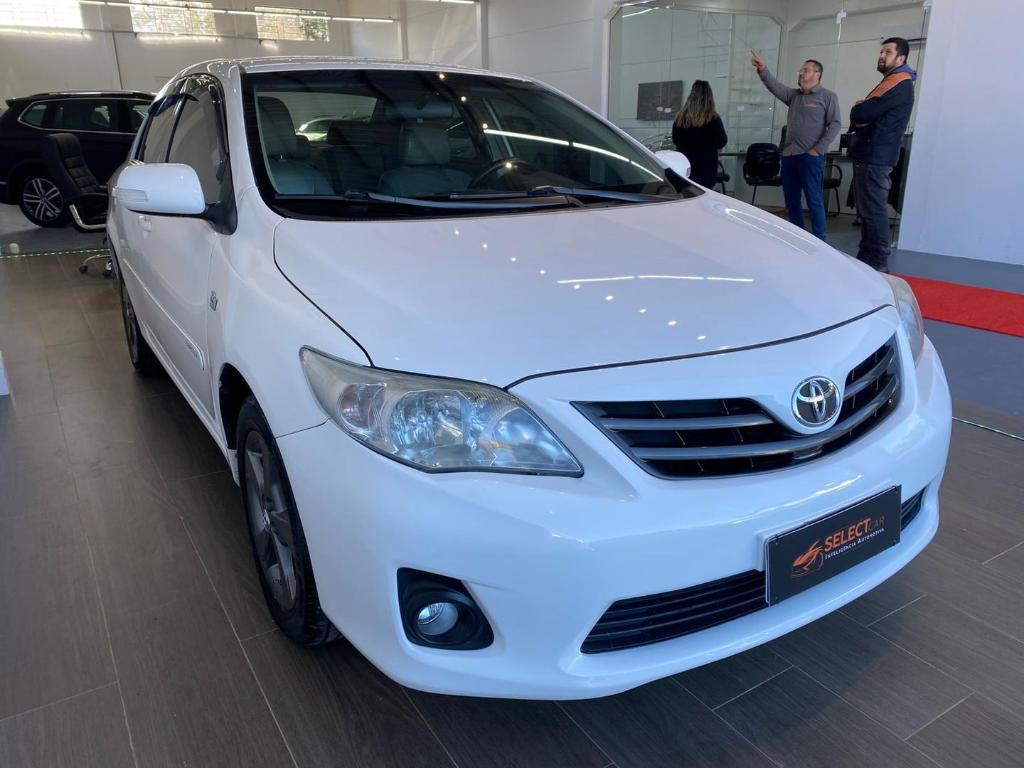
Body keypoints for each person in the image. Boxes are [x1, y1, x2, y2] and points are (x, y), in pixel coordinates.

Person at [751, 52, 841, 241]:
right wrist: (763, 69)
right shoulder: (794, 96)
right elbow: (775, 87)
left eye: (806, 70)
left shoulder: (828, 97)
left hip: (810, 158)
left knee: (813, 199)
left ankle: (820, 240)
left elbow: (835, 124)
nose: (801, 73)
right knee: (791, 201)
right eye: (801, 70)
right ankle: (797, 238)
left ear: (817, 74)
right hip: (789, 156)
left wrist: (817, 149)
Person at [848, 37, 917, 272]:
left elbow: (862, 112)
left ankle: (877, 261)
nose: (881, 55)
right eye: (881, 51)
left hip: (875, 156)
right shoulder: (894, 82)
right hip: (873, 154)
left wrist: (858, 108)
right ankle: (868, 258)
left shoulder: (897, 83)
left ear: (901, 58)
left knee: (873, 211)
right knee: (869, 211)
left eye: (887, 52)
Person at [671, 80, 728, 189]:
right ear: (709, 98)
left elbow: (676, 140)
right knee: (704, 195)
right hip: (706, 166)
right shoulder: (713, 118)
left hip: (685, 165)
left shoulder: (680, 118)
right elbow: (721, 142)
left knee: (685, 194)